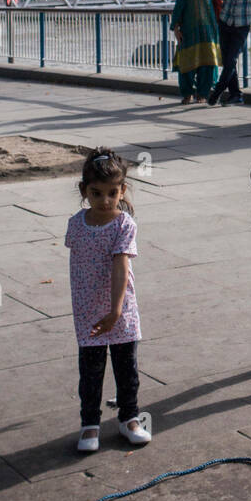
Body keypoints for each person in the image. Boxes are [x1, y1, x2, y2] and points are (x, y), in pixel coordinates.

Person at [66, 149, 151, 453]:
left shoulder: (124, 225)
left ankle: (129, 418)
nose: (105, 200)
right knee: (90, 371)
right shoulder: (76, 224)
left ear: (122, 190)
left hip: (121, 310)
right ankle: (90, 423)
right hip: (88, 311)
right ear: (84, 191)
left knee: (126, 369)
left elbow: (120, 266)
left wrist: (115, 310)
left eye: (113, 193)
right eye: (97, 193)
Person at [170, 0, 222, 103]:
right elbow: (179, 7)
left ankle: (203, 94)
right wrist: (175, 28)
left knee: (207, 63)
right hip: (189, 30)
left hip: (208, 30)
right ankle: (187, 93)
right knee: (186, 62)